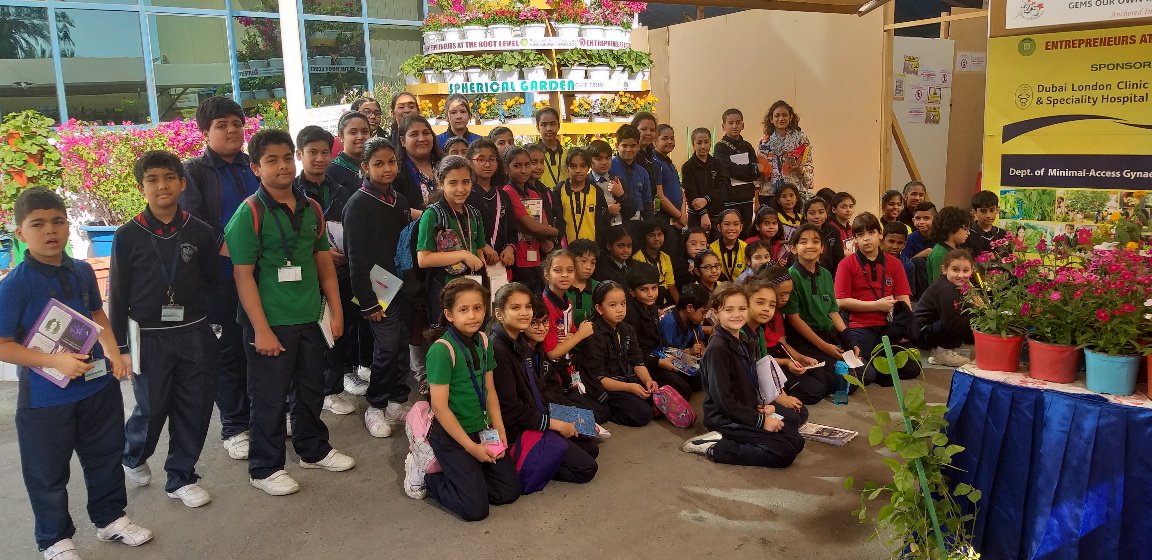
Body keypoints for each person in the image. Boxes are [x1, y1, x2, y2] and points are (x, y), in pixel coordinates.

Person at [0, 188, 152, 559]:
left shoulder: (82, 271)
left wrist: (114, 352)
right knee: (47, 471)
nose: (49, 231)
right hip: (46, 400)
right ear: (20, 233)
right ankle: (54, 539)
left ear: (69, 227)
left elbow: (96, 314)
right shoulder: (15, 285)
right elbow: (3, 344)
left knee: (105, 456)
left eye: (57, 221)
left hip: (97, 387)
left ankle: (110, 519)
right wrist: (54, 361)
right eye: (37, 224)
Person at [224, 130, 356, 496]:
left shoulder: (310, 208)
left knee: (311, 389)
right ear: (255, 168)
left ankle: (313, 449)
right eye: (271, 160)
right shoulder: (249, 213)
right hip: (271, 323)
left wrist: (335, 310)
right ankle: (265, 467)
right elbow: (242, 276)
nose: (282, 166)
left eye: (286, 158)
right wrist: (261, 330)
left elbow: (323, 262)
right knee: (269, 397)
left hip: (310, 317)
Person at [111, 150, 218, 507]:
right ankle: (133, 454)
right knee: (152, 407)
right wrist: (120, 349)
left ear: (182, 183)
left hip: (194, 332)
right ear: (141, 187)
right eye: (153, 180)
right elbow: (118, 295)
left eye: (170, 178)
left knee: (194, 406)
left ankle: (181, 477)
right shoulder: (127, 235)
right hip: (149, 338)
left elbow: (211, 280)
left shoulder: (200, 231)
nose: (162, 186)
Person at [180, 96, 260, 461]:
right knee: (227, 351)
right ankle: (235, 425)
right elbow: (193, 221)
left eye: (236, 124)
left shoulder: (254, 165)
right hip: (220, 278)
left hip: (262, 274)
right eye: (221, 125)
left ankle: (263, 415)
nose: (231, 131)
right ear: (204, 132)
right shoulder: (194, 172)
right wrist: (230, 249)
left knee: (261, 345)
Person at [423, 278, 521, 521]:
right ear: (449, 314)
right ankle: (430, 479)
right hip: (453, 435)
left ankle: (469, 474)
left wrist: (499, 429)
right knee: (475, 510)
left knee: (509, 492)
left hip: (482, 429)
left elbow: (490, 390)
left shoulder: (484, 341)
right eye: (463, 310)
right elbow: (439, 407)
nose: (472, 316)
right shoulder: (442, 350)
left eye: (477, 308)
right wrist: (471, 448)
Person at [681, 283, 805, 467]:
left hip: (745, 411)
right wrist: (761, 421)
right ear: (715, 313)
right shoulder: (717, 350)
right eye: (729, 309)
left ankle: (735, 438)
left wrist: (761, 407)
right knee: (784, 453)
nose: (736, 314)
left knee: (797, 441)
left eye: (742, 308)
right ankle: (715, 446)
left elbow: (749, 382)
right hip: (724, 418)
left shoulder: (745, 338)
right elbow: (724, 401)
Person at [490, 283, 598, 489]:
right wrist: (554, 425)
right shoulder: (499, 349)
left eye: (527, 307)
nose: (524, 313)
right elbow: (512, 411)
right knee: (586, 468)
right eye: (515, 307)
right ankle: (528, 463)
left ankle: (547, 455)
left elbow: (540, 391)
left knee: (591, 446)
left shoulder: (521, 341)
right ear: (499, 313)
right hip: (520, 428)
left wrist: (563, 418)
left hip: (538, 415)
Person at [344, 137, 416, 438]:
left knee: (400, 345)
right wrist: (368, 301)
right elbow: (355, 258)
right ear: (365, 166)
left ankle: (397, 401)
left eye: (391, 162)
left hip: (402, 285)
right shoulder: (357, 204)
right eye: (378, 164)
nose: (387, 168)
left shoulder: (399, 200)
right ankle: (375, 405)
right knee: (385, 348)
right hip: (377, 288)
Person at [294, 124, 367, 407]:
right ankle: (317, 390)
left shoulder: (340, 190)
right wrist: (320, 254)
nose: (320, 158)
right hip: (308, 274)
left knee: (340, 328)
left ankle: (333, 387)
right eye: (312, 152)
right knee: (312, 334)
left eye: (325, 152)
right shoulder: (292, 192)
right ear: (300, 154)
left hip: (342, 271)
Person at [416, 156, 498, 328]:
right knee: (448, 335)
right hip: (445, 289)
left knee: (474, 332)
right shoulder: (432, 215)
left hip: (472, 287)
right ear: (441, 183)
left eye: (466, 182)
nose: (460, 189)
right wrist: (463, 255)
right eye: (453, 183)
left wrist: (481, 276)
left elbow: (479, 248)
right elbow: (424, 259)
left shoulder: (474, 213)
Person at [835, 213, 914, 383]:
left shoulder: (894, 263)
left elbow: (903, 298)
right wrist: (876, 305)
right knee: (867, 374)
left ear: (880, 235)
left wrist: (906, 326)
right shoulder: (846, 264)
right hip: (858, 326)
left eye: (871, 232)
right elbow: (840, 301)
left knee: (912, 368)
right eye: (860, 234)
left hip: (888, 326)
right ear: (855, 239)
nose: (866, 239)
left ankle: (880, 369)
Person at [540, 250, 609, 423]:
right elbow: (552, 353)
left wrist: (572, 336)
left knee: (603, 410)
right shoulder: (544, 305)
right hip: (552, 372)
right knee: (594, 418)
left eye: (569, 270)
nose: (565, 275)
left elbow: (570, 332)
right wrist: (579, 334)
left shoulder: (566, 301)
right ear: (547, 274)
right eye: (558, 270)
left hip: (569, 365)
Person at [577, 281, 659, 427]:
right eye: (613, 305)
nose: (620, 310)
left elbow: (637, 362)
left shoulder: (627, 329)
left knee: (658, 397)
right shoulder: (593, 334)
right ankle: (609, 410)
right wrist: (630, 388)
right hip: (609, 387)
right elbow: (599, 379)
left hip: (628, 379)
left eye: (623, 303)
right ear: (599, 308)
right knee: (643, 414)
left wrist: (648, 380)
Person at [782, 224, 858, 374]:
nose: (810, 246)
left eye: (816, 241)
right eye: (803, 242)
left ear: (822, 248)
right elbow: (794, 319)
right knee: (838, 375)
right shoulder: (790, 276)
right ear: (793, 248)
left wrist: (849, 339)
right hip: (805, 339)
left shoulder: (826, 274)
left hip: (829, 334)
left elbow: (833, 311)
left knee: (865, 373)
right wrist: (824, 346)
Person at [754, 265, 834, 404]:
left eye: (789, 293)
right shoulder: (758, 319)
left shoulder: (777, 312)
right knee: (814, 392)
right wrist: (787, 363)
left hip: (779, 355)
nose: (786, 298)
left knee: (828, 381)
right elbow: (759, 360)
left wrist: (801, 358)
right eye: (781, 294)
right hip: (767, 362)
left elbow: (782, 343)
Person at [742, 279, 812, 416]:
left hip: (761, 390)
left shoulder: (758, 330)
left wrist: (783, 396)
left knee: (801, 413)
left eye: (772, 305)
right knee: (792, 418)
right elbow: (747, 377)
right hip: (746, 396)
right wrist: (777, 399)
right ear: (746, 303)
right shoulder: (740, 334)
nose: (766, 308)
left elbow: (765, 367)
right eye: (760, 302)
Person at [624, 263, 694, 399]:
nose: (651, 294)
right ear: (632, 291)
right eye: (644, 289)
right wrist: (658, 362)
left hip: (659, 355)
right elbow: (632, 353)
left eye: (654, 288)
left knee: (696, 379)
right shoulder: (629, 316)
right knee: (683, 389)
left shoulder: (653, 308)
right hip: (643, 364)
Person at [503, 147, 558, 294]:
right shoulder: (508, 192)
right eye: (517, 166)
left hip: (536, 254)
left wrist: (546, 232)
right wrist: (556, 232)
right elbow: (532, 226)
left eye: (527, 165)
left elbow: (543, 224)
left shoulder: (533, 193)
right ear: (507, 169)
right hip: (518, 257)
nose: (523, 170)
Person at [914, 249, 975, 368]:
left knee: (966, 310)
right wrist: (976, 315)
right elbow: (953, 324)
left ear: (971, 271)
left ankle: (946, 347)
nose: (961, 275)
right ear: (944, 269)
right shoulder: (946, 289)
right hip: (922, 335)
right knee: (964, 315)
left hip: (929, 328)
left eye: (965, 270)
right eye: (955, 270)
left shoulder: (952, 284)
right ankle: (941, 353)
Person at [465, 139, 515, 275]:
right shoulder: (465, 195)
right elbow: (462, 230)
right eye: (481, 160)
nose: (487, 164)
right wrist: (483, 246)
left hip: (500, 264)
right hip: (474, 262)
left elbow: (512, 230)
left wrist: (510, 248)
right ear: (470, 162)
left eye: (492, 159)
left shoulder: (503, 196)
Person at [713, 108, 759, 231]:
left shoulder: (747, 146)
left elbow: (757, 171)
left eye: (738, 123)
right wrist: (749, 170)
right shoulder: (720, 148)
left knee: (746, 232)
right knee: (730, 232)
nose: (734, 126)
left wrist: (746, 170)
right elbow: (726, 170)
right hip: (729, 200)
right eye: (730, 123)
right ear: (723, 126)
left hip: (747, 199)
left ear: (743, 125)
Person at [758, 100, 814, 196]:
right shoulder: (764, 141)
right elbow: (759, 171)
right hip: (770, 193)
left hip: (793, 192)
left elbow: (808, 165)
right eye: (777, 116)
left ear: (790, 117)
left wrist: (800, 170)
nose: (781, 118)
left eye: (784, 115)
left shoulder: (801, 138)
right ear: (771, 119)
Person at [393, 115, 443, 221]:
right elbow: (395, 207)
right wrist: (431, 218)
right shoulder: (396, 172)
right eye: (414, 134)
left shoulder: (445, 164)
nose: (422, 139)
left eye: (426, 133)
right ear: (403, 141)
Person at [681, 127, 726, 232]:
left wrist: (706, 199)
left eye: (706, 142)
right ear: (693, 144)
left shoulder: (718, 164)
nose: (703, 146)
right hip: (696, 215)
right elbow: (691, 192)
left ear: (710, 143)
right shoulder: (687, 167)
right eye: (699, 143)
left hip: (716, 214)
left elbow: (722, 187)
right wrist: (703, 213)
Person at [613, 124, 654, 230]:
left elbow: (647, 202)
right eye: (624, 146)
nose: (628, 149)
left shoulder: (643, 172)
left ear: (638, 146)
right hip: (616, 223)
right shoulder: (609, 168)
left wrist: (649, 227)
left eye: (633, 146)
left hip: (638, 224)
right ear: (616, 146)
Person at [631, 219, 677, 306]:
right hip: (647, 302)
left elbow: (671, 286)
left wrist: (680, 306)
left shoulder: (665, 257)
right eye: (651, 235)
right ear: (644, 237)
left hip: (665, 301)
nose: (656, 238)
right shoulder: (637, 259)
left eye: (659, 234)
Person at [587, 139, 631, 229]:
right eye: (599, 159)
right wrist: (606, 211)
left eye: (608, 158)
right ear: (589, 161)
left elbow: (631, 212)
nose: (604, 162)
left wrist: (621, 195)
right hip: (595, 231)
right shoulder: (586, 182)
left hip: (618, 230)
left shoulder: (618, 181)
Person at [326, 112, 372, 194]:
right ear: (341, 137)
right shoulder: (331, 172)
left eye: (364, 132)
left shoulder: (376, 165)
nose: (360, 137)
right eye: (353, 132)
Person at [653, 124, 688, 230]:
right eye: (665, 138)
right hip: (664, 219)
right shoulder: (655, 162)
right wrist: (679, 216)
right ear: (655, 141)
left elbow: (680, 191)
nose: (669, 141)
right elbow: (660, 195)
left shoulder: (671, 164)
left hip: (678, 219)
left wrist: (683, 214)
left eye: (672, 138)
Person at [659, 283, 709, 356]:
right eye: (703, 312)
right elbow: (665, 352)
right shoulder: (668, 323)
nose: (704, 316)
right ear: (689, 308)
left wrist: (704, 354)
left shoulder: (694, 321)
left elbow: (699, 340)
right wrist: (689, 352)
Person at [927, 206, 972, 284]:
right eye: (965, 229)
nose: (968, 233)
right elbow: (939, 284)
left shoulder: (956, 249)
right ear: (952, 228)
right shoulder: (939, 255)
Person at [803, 196, 844, 272]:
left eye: (821, 212)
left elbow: (839, 258)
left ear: (826, 214)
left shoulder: (833, 231)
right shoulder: (800, 233)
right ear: (805, 215)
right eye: (812, 213)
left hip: (830, 275)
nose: (817, 216)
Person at [566, 238, 600, 326]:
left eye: (593, 263)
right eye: (583, 261)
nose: (588, 267)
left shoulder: (599, 288)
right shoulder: (561, 287)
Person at [964, 190, 1007, 258]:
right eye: (983, 211)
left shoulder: (1003, 234)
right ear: (974, 212)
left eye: (992, 210)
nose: (988, 215)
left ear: (997, 210)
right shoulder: (967, 235)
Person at [710, 209, 747, 282]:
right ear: (719, 227)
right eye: (726, 224)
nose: (731, 228)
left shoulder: (746, 248)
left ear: (741, 227)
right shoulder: (712, 249)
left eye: (736, 224)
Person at [535, 107, 568, 190]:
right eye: (544, 125)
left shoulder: (567, 153)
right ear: (538, 127)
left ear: (558, 126)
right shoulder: (532, 155)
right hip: (541, 195)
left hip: (564, 196)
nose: (549, 128)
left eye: (553, 124)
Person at [631, 112, 660, 188]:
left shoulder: (652, 155)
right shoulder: (631, 156)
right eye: (643, 129)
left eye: (652, 130)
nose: (648, 133)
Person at [831, 192, 856, 257]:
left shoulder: (852, 229)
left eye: (850, 206)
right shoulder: (830, 229)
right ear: (834, 209)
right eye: (843, 207)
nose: (848, 210)